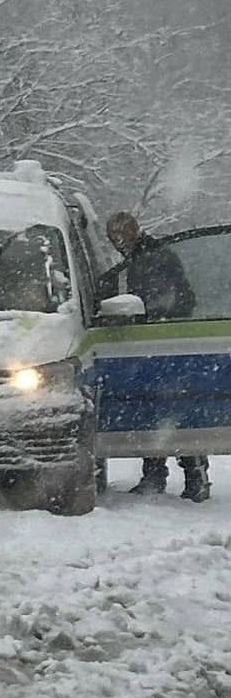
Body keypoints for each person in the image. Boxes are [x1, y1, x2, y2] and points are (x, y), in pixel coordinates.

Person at [102, 210, 210, 502]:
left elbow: (173, 299)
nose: (117, 241)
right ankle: (173, 473)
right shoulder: (139, 259)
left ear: (135, 231)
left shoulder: (153, 258)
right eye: (113, 236)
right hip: (157, 343)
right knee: (161, 410)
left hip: (164, 342)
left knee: (171, 409)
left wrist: (154, 317)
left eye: (121, 234)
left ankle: (189, 473)